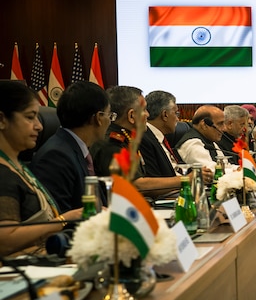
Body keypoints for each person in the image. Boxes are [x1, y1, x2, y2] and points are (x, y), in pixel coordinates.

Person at [0, 80, 83, 256]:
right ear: (2, 120)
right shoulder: (2, 174)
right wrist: (63, 220)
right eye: (30, 117)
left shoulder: (18, 166)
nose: (39, 126)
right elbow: (5, 241)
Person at [92, 85, 190, 196]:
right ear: (132, 116)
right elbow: (136, 185)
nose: (148, 115)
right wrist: (185, 180)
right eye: (144, 110)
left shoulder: (127, 138)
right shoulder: (112, 144)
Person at [30, 81, 111, 212]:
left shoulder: (77, 149)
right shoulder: (56, 156)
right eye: (109, 115)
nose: (109, 122)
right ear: (98, 118)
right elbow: (59, 218)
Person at [140, 90, 180, 177]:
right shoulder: (144, 138)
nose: (178, 119)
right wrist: (188, 179)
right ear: (165, 115)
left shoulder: (159, 137)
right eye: (176, 113)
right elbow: (153, 178)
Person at [176, 105, 226, 170]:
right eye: (220, 124)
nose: (224, 128)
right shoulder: (192, 144)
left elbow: (225, 164)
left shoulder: (210, 141)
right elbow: (210, 170)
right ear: (204, 125)